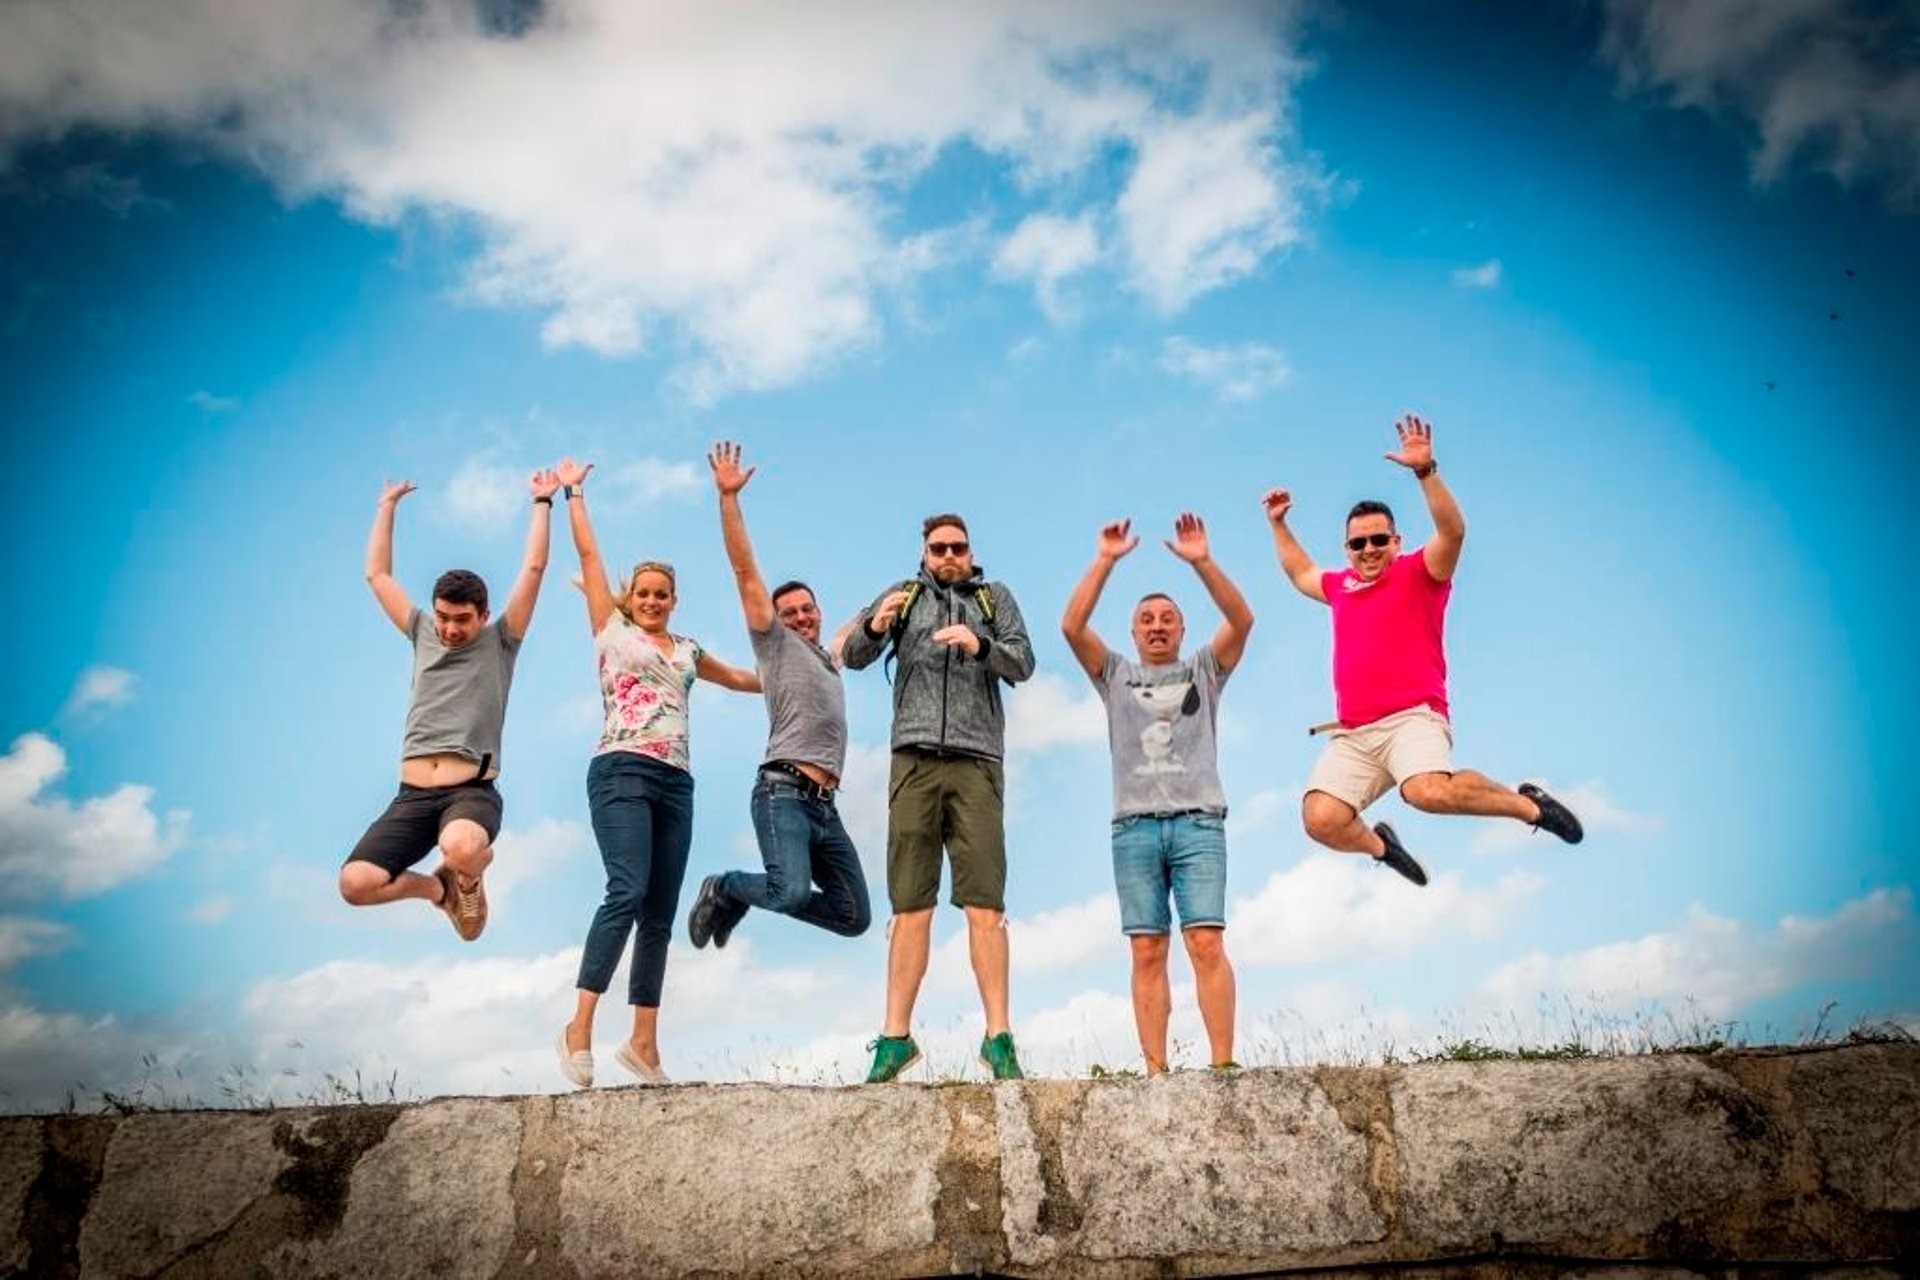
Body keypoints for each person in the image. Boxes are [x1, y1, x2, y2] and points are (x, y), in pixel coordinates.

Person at [1264, 413, 1583, 885]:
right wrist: (1278, 525)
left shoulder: (1420, 573)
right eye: (1358, 543)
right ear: (1347, 548)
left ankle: (1530, 807)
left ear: (1396, 541)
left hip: (1413, 718)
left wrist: (1425, 472)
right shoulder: (1340, 585)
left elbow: (1453, 533)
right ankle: (1382, 847)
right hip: (1356, 733)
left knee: (1427, 791)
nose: (1369, 549)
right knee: (1321, 819)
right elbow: (1299, 572)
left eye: (1378, 540)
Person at [551, 458, 760, 1090]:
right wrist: (575, 494)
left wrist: (807, 666)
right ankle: (579, 1027)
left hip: (677, 782)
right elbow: (590, 558)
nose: (651, 601)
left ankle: (643, 1043)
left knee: (661, 914)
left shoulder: (689, 650)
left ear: (673, 601)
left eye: (661, 595)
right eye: (642, 593)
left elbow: (750, 680)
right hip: (621, 771)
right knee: (627, 889)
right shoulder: (610, 630)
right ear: (630, 599)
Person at [841, 513, 1035, 1082]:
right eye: (937, 548)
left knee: (986, 906)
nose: (948, 555)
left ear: (971, 552)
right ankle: (895, 1038)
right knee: (909, 907)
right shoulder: (902, 596)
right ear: (923, 553)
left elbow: (1023, 661)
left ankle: (998, 1038)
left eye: (957, 547)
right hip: (915, 760)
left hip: (978, 762)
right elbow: (852, 655)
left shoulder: (994, 597)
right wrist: (876, 628)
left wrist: (980, 645)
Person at [1061, 513, 1254, 1074]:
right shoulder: (1116, 675)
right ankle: (1155, 1072)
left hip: (1198, 825)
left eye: (1168, 618)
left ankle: (1223, 1066)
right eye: (1146, 619)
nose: (1157, 626)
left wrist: (1201, 562)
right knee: (1147, 950)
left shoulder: (1203, 671)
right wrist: (1104, 560)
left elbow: (1242, 619)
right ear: (1134, 632)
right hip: (1134, 827)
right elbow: (1072, 627)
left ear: (1182, 630)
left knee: (1206, 944)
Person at [340, 468, 557, 940]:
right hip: (412, 794)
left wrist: (542, 503)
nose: (451, 629)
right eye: (443, 617)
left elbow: (534, 569)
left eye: (462, 620)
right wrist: (387, 506)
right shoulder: (421, 630)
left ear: (483, 614)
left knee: (459, 847)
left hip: (470, 793)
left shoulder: (502, 640)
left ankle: (467, 876)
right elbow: (377, 575)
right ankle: (439, 893)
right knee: (355, 884)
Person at [686, 441, 871, 950]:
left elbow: (857, 623)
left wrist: (912, 587)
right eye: (789, 612)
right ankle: (725, 887)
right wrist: (728, 499)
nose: (800, 618)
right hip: (783, 792)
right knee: (787, 892)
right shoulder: (775, 645)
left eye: (807, 609)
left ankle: (750, 893)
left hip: (825, 807)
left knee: (854, 915)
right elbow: (745, 573)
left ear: (818, 610)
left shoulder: (828, 657)